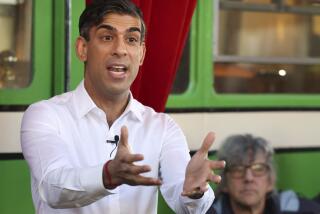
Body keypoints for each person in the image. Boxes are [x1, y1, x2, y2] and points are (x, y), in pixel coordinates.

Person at [20, 0, 225, 213]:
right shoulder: (45, 115)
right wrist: (107, 175)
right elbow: (52, 187)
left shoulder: (162, 127)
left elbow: (188, 205)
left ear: (142, 54)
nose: (120, 50)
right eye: (107, 37)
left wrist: (195, 190)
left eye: (131, 39)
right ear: (83, 49)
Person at [207, 134, 320, 214]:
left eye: (258, 168)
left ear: (270, 181)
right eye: (238, 169)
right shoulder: (206, 211)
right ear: (224, 183)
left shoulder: (298, 209)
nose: (248, 178)